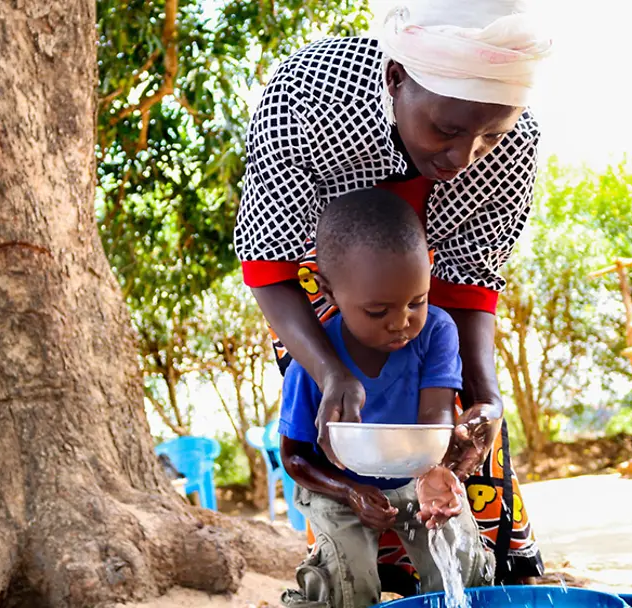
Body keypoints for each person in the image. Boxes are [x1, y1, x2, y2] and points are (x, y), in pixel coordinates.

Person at [234, 0, 550, 587]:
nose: (464, 157)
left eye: (489, 136)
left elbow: (473, 278)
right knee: (353, 435)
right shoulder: (308, 98)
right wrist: (331, 371)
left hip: (428, 292)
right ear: (396, 78)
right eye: (448, 130)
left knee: (466, 442)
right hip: (319, 289)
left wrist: (485, 396)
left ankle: (488, 577)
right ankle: (364, 582)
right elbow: (268, 266)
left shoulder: (516, 140)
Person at [279, 190, 494, 608]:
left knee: (461, 562)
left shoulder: (435, 332)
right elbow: (295, 459)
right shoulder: (310, 360)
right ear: (327, 291)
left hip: (415, 476)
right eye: (377, 312)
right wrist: (351, 493)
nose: (401, 323)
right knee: (350, 581)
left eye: (417, 301)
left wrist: (437, 474)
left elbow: (434, 425)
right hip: (336, 486)